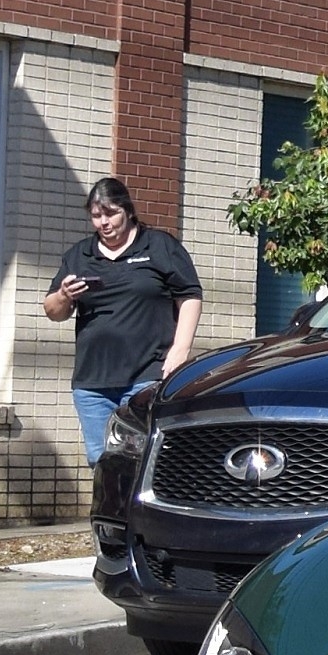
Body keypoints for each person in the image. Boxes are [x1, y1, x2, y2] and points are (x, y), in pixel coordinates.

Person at [46, 177, 203, 463]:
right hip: (92, 383)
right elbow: (53, 311)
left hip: (147, 377)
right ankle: (109, 510)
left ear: (128, 211)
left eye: (111, 213)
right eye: (96, 216)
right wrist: (64, 295)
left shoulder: (158, 246)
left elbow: (190, 295)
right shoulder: (80, 254)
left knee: (145, 461)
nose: (103, 222)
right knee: (103, 463)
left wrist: (180, 350)